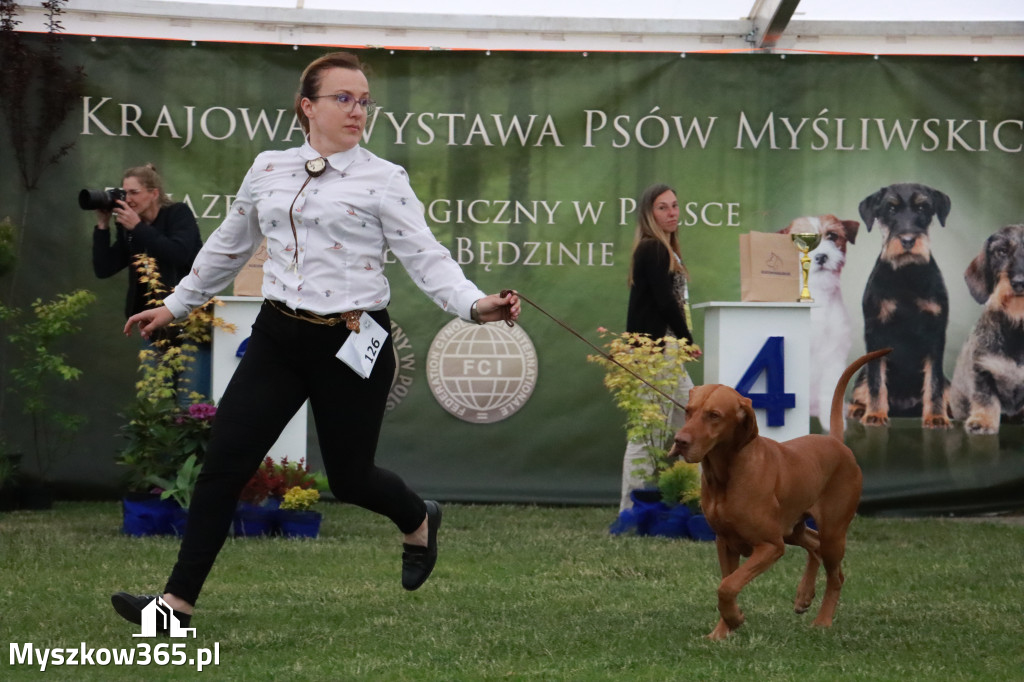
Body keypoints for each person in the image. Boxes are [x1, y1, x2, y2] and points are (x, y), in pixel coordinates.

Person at [110, 51, 520, 631]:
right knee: (225, 463)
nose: (358, 110)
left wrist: (476, 306)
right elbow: (227, 246)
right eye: (344, 98)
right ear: (308, 106)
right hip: (278, 336)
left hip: (352, 338)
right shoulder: (269, 168)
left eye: (364, 100)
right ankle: (175, 607)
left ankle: (418, 518)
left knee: (352, 479)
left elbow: (428, 259)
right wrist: (175, 304)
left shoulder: (385, 178)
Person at [92, 163, 209, 398]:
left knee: (190, 400)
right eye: (125, 193)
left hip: (191, 322)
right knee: (157, 400)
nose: (129, 199)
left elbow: (178, 253)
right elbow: (104, 268)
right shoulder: (130, 226)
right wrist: (103, 225)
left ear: (154, 193)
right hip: (153, 326)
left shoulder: (178, 214)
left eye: (134, 192)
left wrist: (137, 227)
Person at [619, 184, 696, 512]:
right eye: (663, 208)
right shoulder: (652, 249)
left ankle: (694, 500)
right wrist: (686, 339)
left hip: (667, 353)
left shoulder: (667, 250)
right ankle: (630, 511)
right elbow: (666, 303)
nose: (672, 213)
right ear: (649, 215)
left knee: (691, 423)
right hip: (654, 353)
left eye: (675, 206)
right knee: (646, 435)